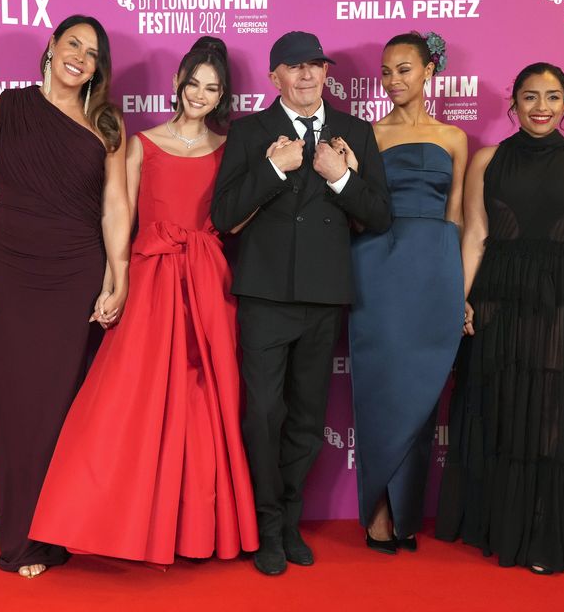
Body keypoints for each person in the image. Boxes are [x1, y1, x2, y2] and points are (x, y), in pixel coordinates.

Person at [30, 37, 259, 566]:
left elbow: (234, 219)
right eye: (194, 82)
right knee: (131, 400)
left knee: (205, 402)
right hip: (153, 281)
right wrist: (117, 283)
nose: (200, 94)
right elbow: (120, 220)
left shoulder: (230, 149)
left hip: (207, 281)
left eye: (212, 87)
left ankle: (197, 529)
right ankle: (111, 522)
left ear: (222, 94)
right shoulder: (140, 144)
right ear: (178, 81)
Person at [435, 62, 564, 574]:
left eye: (551, 97)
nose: (540, 107)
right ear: (514, 103)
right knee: (502, 407)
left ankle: (546, 527)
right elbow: (475, 235)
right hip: (500, 292)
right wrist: (459, 298)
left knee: (553, 413)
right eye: (529, 97)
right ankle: (504, 524)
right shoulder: (487, 160)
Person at [211, 31, 391, 575]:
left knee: (308, 419)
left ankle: (291, 521)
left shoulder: (355, 132)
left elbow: (379, 214)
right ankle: (266, 525)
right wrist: (274, 169)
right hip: (264, 295)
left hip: (323, 295)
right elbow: (222, 217)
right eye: (296, 67)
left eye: (316, 65)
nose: (308, 75)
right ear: (275, 78)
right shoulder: (248, 134)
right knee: (264, 413)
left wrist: (341, 179)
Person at [0, 14, 130, 578]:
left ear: (99, 67)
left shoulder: (106, 125)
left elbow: (114, 207)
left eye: (92, 51)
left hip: (75, 276)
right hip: (8, 270)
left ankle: (57, 531)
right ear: (52, 46)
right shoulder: (9, 107)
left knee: (61, 412)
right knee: (15, 410)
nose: (80, 55)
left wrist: (118, 276)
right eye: (72, 43)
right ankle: (22, 543)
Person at [349, 32, 466, 554]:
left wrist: (459, 284)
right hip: (379, 262)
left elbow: (457, 215)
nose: (394, 80)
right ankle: (377, 508)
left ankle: (406, 512)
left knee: (421, 389)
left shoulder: (455, 138)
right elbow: (359, 207)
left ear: (429, 72)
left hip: (434, 265)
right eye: (386, 71)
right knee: (379, 385)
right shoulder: (367, 135)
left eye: (404, 70)